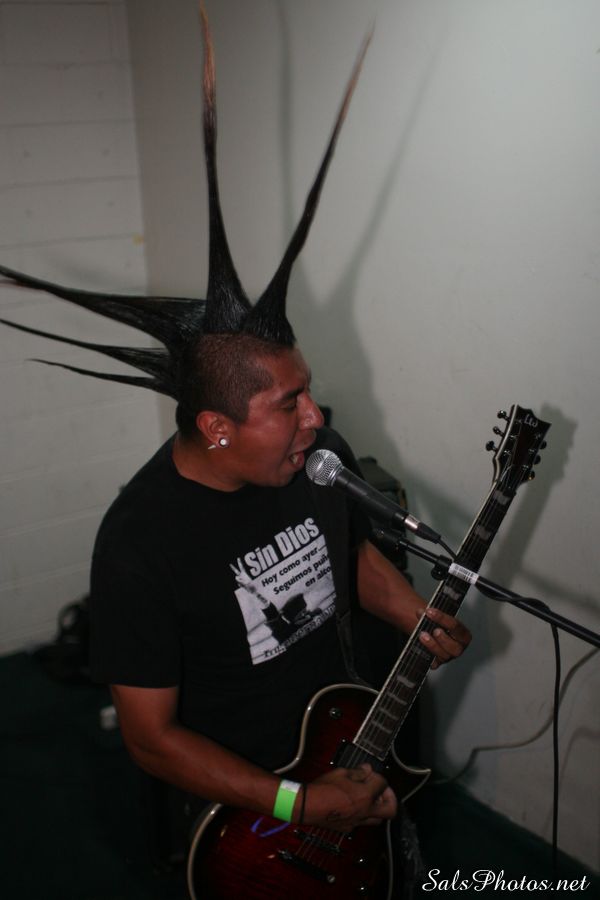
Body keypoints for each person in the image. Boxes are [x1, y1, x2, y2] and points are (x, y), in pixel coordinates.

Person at [0, 2, 470, 887]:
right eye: (289, 403)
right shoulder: (140, 544)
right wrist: (297, 803)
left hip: (351, 741)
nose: (315, 416)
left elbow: (347, 549)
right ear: (216, 426)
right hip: (255, 800)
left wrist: (410, 610)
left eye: (308, 391)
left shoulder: (313, 456)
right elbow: (151, 738)